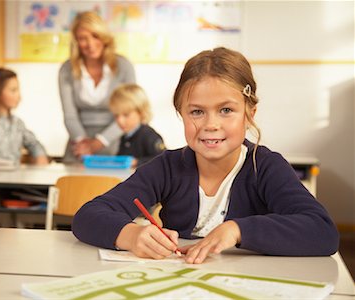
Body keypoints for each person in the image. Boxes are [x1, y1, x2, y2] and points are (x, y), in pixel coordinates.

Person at [72, 47, 339, 264]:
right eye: (197, 112)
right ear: (182, 115)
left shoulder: (265, 167)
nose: (211, 124)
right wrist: (130, 235)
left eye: (226, 110)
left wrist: (238, 230)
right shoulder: (168, 166)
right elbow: (88, 216)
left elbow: (322, 231)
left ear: (249, 114)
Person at [58, 11, 136, 163]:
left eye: (95, 36)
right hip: (78, 146)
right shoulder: (66, 70)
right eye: (82, 38)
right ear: (76, 42)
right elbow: (70, 115)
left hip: (116, 144)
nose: (90, 44)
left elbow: (130, 112)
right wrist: (83, 143)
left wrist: (99, 143)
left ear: (104, 37)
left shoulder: (124, 66)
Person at [109, 83, 166, 167]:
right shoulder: (125, 136)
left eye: (126, 115)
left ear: (141, 113)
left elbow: (162, 159)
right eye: (116, 115)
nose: (120, 121)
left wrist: (137, 162)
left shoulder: (148, 135)